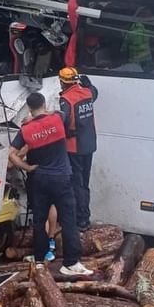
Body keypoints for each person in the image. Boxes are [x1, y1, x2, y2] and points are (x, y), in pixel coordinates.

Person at [8, 91, 92, 276]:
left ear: (29, 108)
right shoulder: (57, 119)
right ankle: (70, 263)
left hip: (39, 180)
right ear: (44, 104)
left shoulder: (26, 130)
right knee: (69, 220)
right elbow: (59, 113)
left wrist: (27, 167)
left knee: (39, 221)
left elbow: (12, 154)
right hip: (62, 178)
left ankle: (39, 260)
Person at [58, 66, 98, 231]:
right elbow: (95, 92)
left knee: (77, 184)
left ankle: (82, 219)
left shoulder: (66, 99)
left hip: (74, 147)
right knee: (85, 182)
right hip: (89, 144)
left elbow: (64, 122)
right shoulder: (87, 93)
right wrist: (89, 83)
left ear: (62, 82)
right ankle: (84, 216)